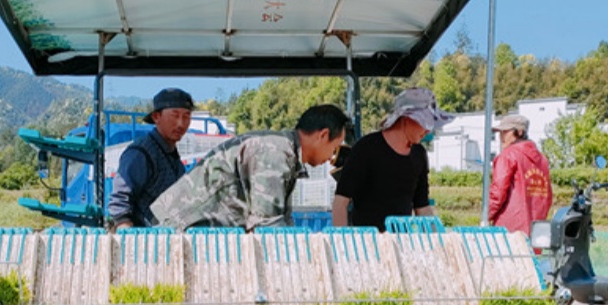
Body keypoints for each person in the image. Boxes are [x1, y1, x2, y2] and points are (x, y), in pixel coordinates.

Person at [150, 104, 351, 231]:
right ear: (323, 135)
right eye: (334, 149)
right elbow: (267, 228)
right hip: (173, 227)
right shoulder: (275, 153)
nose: (331, 158)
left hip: (187, 228)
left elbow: (282, 221)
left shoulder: (287, 156)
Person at [332, 87, 453, 230]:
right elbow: (341, 202)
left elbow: (422, 207)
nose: (427, 131)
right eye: (423, 123)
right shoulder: (366, 149)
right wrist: (342, 242)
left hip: (401, 243)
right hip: (367, 242)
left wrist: (438, 241)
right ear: (406, 119)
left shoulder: (419, 154)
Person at [108, 87, 194, 229]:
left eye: (186, 116)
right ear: (156, 117)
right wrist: (129, 241)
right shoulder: (140, 154)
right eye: (175, 115)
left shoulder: (174, 158)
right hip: (144, 243)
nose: (181, 123)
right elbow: (120, 202)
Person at [487, 113, 553, 233]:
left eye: (505, 132)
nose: (501, 137)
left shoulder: (507, 156)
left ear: (519, 132)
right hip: (536, 233)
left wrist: (485, 216)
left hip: (509, 233)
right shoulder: (543, 160)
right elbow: (547, 198)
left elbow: (497, 194)